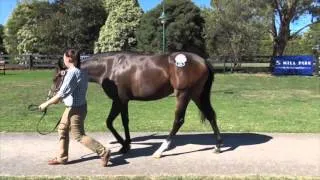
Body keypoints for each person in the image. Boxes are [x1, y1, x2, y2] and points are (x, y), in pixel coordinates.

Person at [39, 49, 111, 167]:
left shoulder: (72, 73)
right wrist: (64, 73)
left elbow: (60, 96)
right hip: (75, 107)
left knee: (78, 135)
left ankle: (104, 152)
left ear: (68, 59)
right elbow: (71, 78)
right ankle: (62, 158)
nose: (63, 60)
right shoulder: (82, 71)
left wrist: (45, 104)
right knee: (62, 129)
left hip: (76, 109)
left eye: (64, 58)